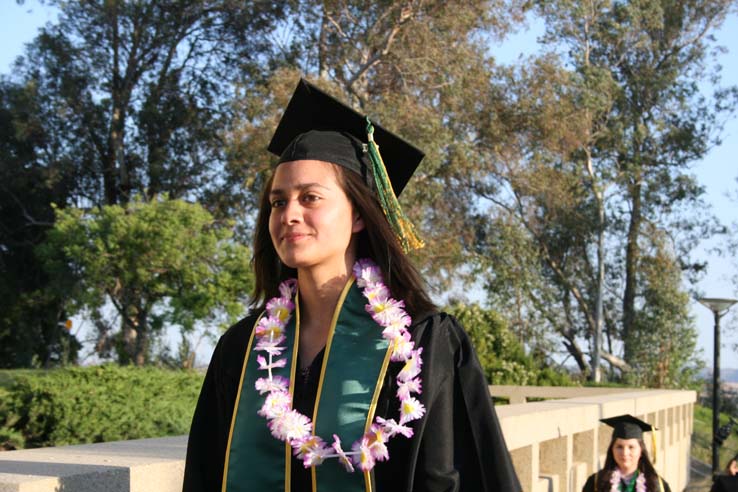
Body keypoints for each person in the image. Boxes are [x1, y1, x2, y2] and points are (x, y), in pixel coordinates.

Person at [182, 78, 522, 492]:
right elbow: (204, 475)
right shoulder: (241, 349)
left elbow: (450, 477)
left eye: (310, 198)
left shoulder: (420, 342)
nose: (289, 214)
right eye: (277, 201)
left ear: (358, 215)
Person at [582, 415, 671, 492]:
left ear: (641, 450)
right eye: (619, 447)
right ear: (612, 449)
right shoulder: (596, 483)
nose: (625, 453)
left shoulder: (657, 485)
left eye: (631, 447)